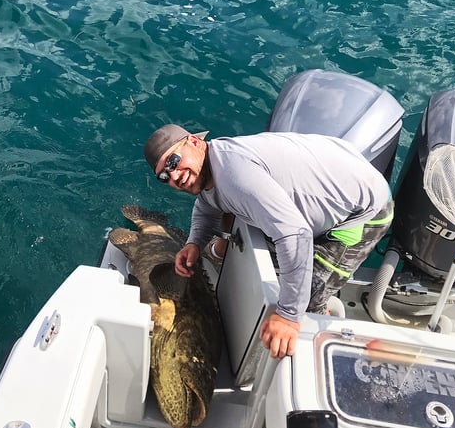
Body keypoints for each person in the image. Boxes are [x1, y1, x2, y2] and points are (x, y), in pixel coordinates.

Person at [144, 124, 393, 357]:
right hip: (324, 196)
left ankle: (351, 348)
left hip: (361, 213)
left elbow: (295, 235)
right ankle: (223, 250)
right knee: (273, 244)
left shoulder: (235, 175)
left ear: (196, 143)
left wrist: (287, 316)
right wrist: (194, 243)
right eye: (165, 176)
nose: (174, 175)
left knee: (311, 297)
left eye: (174, 161)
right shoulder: (215, 161)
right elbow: (207, 203)